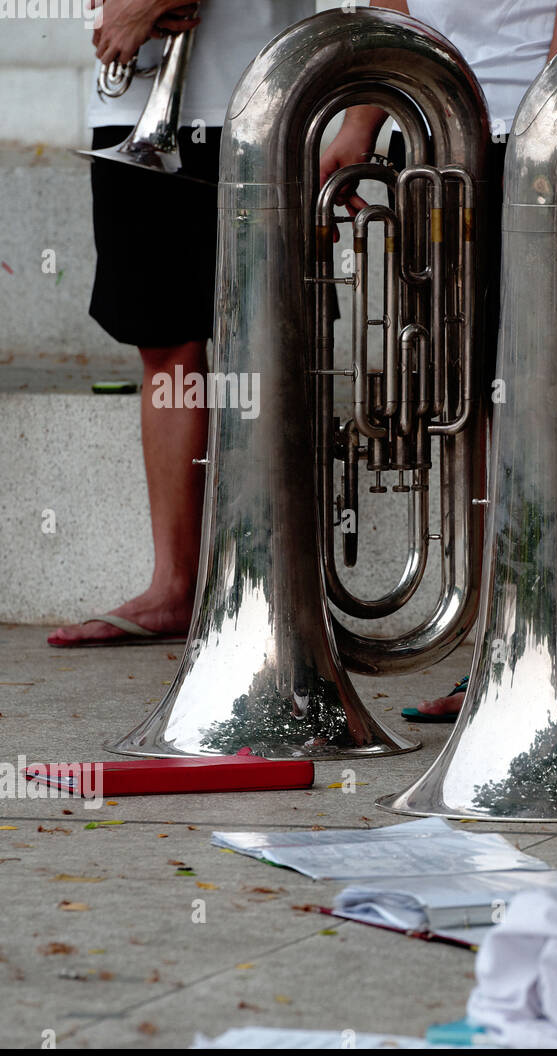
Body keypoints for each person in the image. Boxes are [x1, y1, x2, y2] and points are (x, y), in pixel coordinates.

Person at [320, 0, 557, 723]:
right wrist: (363, 123)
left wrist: (553, 106)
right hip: (439, 121)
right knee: (471, 393)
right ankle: (509, 650)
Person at [49, 0, 314, 647]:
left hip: (250, 96)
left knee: (268, 347)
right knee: (165, 346)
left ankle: (268, 581)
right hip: (133, 103)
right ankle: (175, 586)